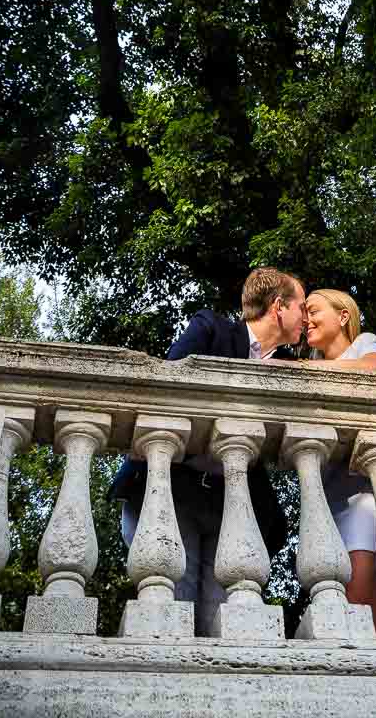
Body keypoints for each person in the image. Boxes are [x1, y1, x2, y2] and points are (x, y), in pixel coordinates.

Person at [109, 266, 307, 635]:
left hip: (230, 502)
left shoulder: (286, 366)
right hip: (173, 490)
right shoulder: (211, 328)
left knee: (226, 617)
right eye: (302, 308)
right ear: (279, 306)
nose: (306, 319)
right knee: (172, 608)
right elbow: (165, 389)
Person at [301, 288, 376, 633]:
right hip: (331, 500)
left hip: (371, 495)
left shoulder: (363, 342)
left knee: (359, 600)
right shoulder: (311, 366)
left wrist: (304, 368)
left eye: (313, 310)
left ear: (342, 316)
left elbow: (373, 367)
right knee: (361, 602)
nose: (306, 319)